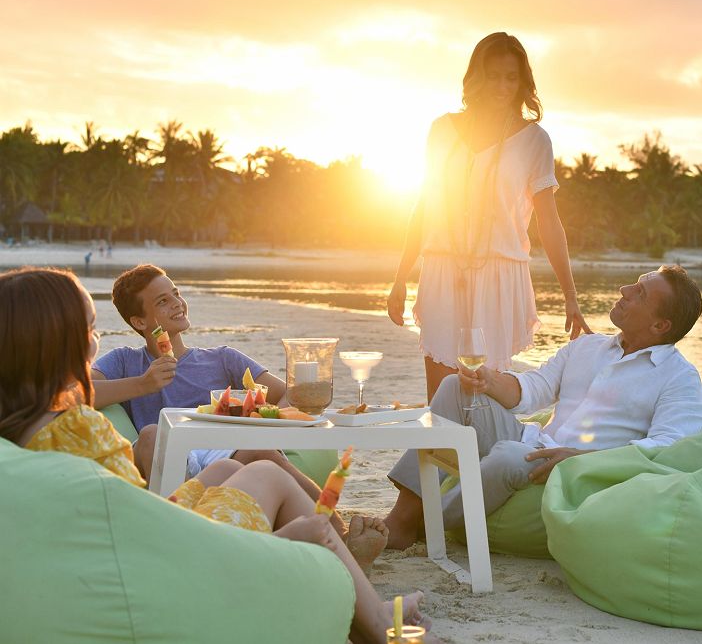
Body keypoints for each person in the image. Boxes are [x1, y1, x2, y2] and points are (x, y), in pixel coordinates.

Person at [0, 267, 433, 644]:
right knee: (293, 505)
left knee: (231, 465)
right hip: (167, 559)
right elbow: (142, 526)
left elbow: (128, 512)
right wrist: (282, 541)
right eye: (89, 329)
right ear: (56, 343)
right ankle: (376, 616)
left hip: (145, 533)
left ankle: (341, 554)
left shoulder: (27, 428)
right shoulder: (87, 422)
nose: (94, 340)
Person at [385, 265, 702, 549]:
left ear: (660, 326)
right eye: (634, 283)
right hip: (535, 442)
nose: (624, 290)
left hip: (576, 468)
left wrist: (583, 458)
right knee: (455, 387)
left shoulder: (681, 380)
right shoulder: (587, 346)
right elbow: (535, 388)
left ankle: (429, 525)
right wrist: (488, 380)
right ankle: (400, 519)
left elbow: (666, 449)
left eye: (639, 293)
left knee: (508, 455)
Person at [90, 264, 387, 564]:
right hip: (169, 456)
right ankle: (177, 537)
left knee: (260, 449)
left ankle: (342, 535)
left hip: (227, 453)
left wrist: (262, 418)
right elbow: (80, 391)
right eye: (162, 301)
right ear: (139, 321)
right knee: (151, 433)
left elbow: (288, 394)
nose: (177, 303)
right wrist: (144, 383)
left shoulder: (222, 358)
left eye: (176, 294)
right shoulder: (126, 361)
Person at [387, 31, 591, 402]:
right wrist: (400, 278)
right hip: (442, 269)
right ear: (477, 77)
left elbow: (549, 221)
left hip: (499, 275)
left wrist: (571, 297)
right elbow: (423, 206)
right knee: (441, 399)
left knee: (483, 399)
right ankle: (442, 458)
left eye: (511, 77)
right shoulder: (442, 129)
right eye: (494, 75)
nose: (502, 85)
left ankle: (481, 461)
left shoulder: (534, 141)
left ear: (522, 82)